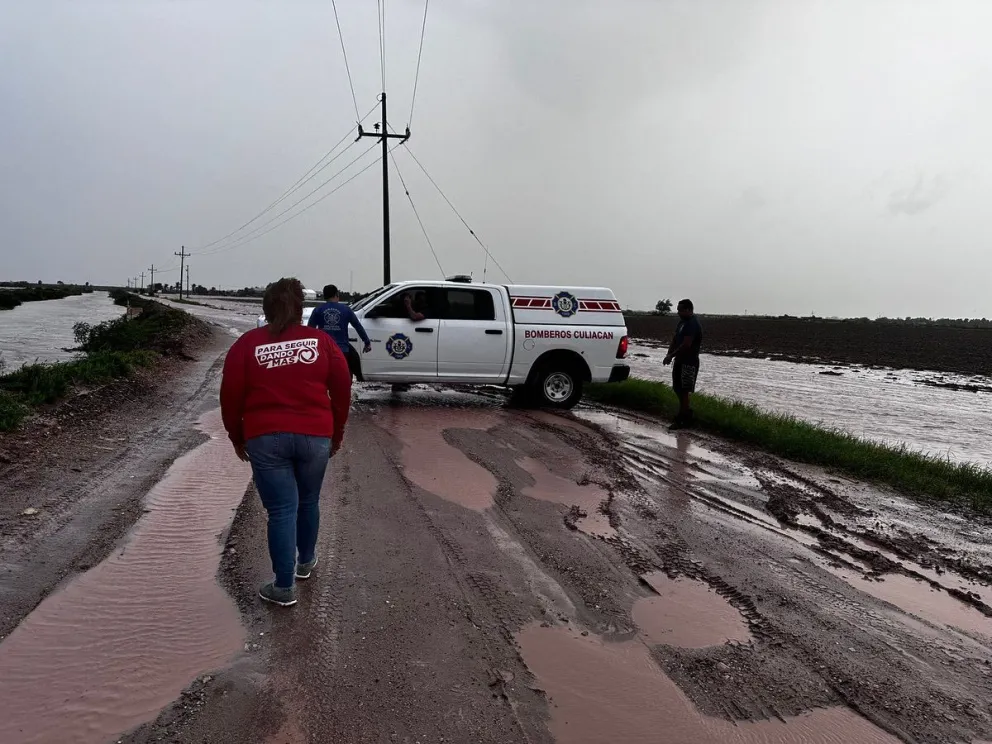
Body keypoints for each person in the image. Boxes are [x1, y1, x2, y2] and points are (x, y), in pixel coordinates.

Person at [220, 278, 352, 607]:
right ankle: (306, 562)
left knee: (281, 510)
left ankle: (283, 586)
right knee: (308, 501)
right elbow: (342, 389)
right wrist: (335, 433)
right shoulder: (321, 341)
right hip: (314, 436)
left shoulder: (247, 345)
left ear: (266, 308)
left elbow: (230, 395)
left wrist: (236, 436)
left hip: (265, 437)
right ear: (300, 309)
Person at [308, 284, 372, 378]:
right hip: (342, 350)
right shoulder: (346, 310)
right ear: (336, 294)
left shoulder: (318, 310)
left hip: (323, 351)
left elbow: (310, 330)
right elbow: (358, 326)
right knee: (343, 377)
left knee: (324, 377)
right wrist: (367, 342)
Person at [663, 299, 702, 430]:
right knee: (677, 388)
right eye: (678, 310)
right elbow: (675, 339)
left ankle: (683, 419)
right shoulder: (682, 323)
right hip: (679, 361)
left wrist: (671, 355)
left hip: (689, 362)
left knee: (684, 390)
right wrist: (669, 354)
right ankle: (685, 413)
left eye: (681, 310)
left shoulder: (692, 324)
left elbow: (686, 345)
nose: (678, 312)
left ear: (689, 310)